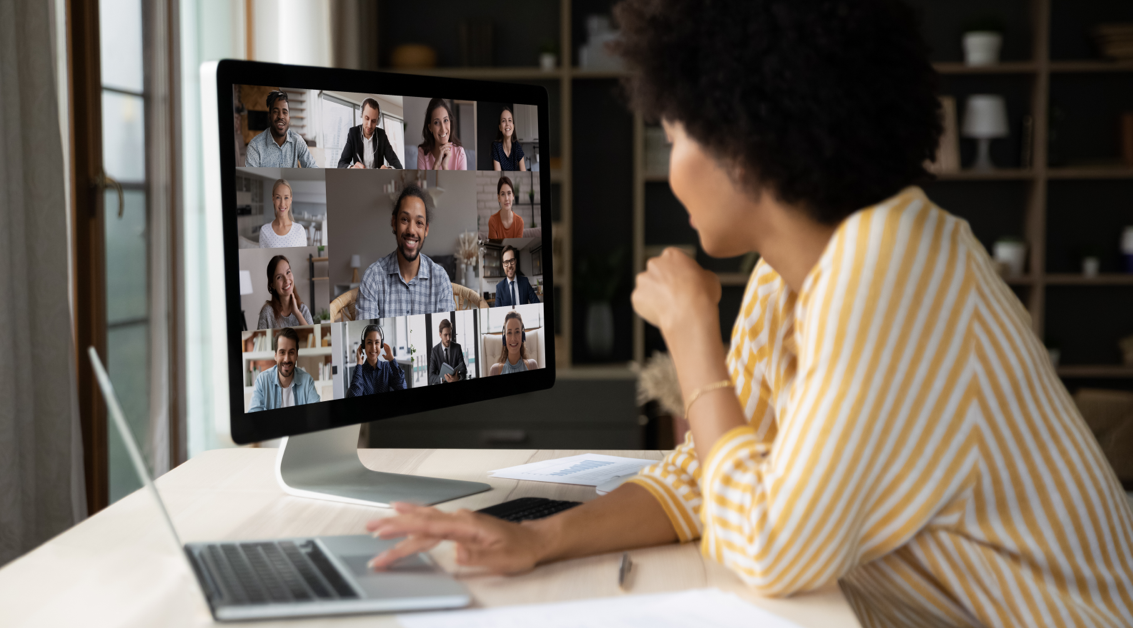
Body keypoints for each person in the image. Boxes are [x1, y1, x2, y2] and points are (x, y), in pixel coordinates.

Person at [364, 1, 1133, 626]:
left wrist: (693, 332)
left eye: (674, 137)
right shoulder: (786, 273)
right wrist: (537, 540)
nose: (671, 176)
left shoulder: (892, 265)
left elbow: (770, 546)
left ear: (744, 138)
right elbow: (712, 474)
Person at [356, 185, 455, 318]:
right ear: (394, 222)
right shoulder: (373, 278)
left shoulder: (440, 279)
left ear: (426, 229)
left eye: (419, 222)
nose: (411, 230)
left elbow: (446, 331)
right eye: (404, 219)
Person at [247, 328, 320, 412]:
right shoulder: (262, 380)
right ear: (275, 356)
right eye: (282, 352)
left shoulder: (307, 380)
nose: (286, 359)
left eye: (291, 352)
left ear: (296, 355)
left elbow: (316, 413)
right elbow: (253, 418)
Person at [245, 90, 317, 168]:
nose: (280, 116)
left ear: (289, 118)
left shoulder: (297, 141)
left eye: (285, 112)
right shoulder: (255, 146)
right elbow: (251, 178)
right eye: (276, 111)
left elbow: (313, 168)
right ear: (269, 116)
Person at [337, 97, 402, 169]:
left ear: (378, 121)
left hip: (377, 179)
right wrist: (352, 168)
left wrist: (389, 169)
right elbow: (341, 164)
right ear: (361, 114)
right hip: (359, 178)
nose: (369, 125)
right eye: (367, 118)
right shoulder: (353, 133)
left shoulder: (382, 135)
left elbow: (398, 165)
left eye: (373, 121)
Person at [348, 324, 407, 396]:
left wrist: (392, 360)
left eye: (377, 342)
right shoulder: (359, 371)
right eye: (369, 342)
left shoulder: (387, 367)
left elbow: (402, 387)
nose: (373, 348)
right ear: (363, 345)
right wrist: (359, 364)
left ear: (381, 344)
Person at [257, 255, 313, 329]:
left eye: (288, 272)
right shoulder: (267, 313)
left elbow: (314, 337)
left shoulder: (303, 310)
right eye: (279, 277)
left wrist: (297, 313)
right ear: (272, 285)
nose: (286, 280)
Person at [416, 98, 467, 170]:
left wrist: (445, 166)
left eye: (445, 120)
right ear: (430, 127)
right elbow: (425, 181)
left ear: (450, 122)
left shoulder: (459, 153)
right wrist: (436, 164)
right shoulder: (422, 152)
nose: (443, 129)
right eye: (436, 122)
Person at [258, 179, 307, 248]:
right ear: (273, 199)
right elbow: (263, 258)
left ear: (291, 199)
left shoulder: (299, 230)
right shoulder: (265, 231)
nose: (282, 204)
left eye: (286, 198)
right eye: (278, 197)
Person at [488, 311, 537, 375]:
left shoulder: (532, 366)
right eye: (509, 332)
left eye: (517, 332)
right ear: (504, 338)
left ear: (522, 335)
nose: (513, 338)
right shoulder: (494, 370)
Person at [429, 319, 466, 384]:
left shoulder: (457, 347)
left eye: (450, 334)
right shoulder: (434, 351)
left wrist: (458, 377)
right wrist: (443, 379)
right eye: (445, 335)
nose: (448, 338)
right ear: (440, 335)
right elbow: (431, 377)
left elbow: (464, 369)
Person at [491, 106, 526, 171]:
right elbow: (499, 176)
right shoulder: (496, 146)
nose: (507, 124)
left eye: (510, 120)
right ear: (500, 127)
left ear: (513, 126)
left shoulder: (517, 146)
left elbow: (523, 171)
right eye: (503, 121)